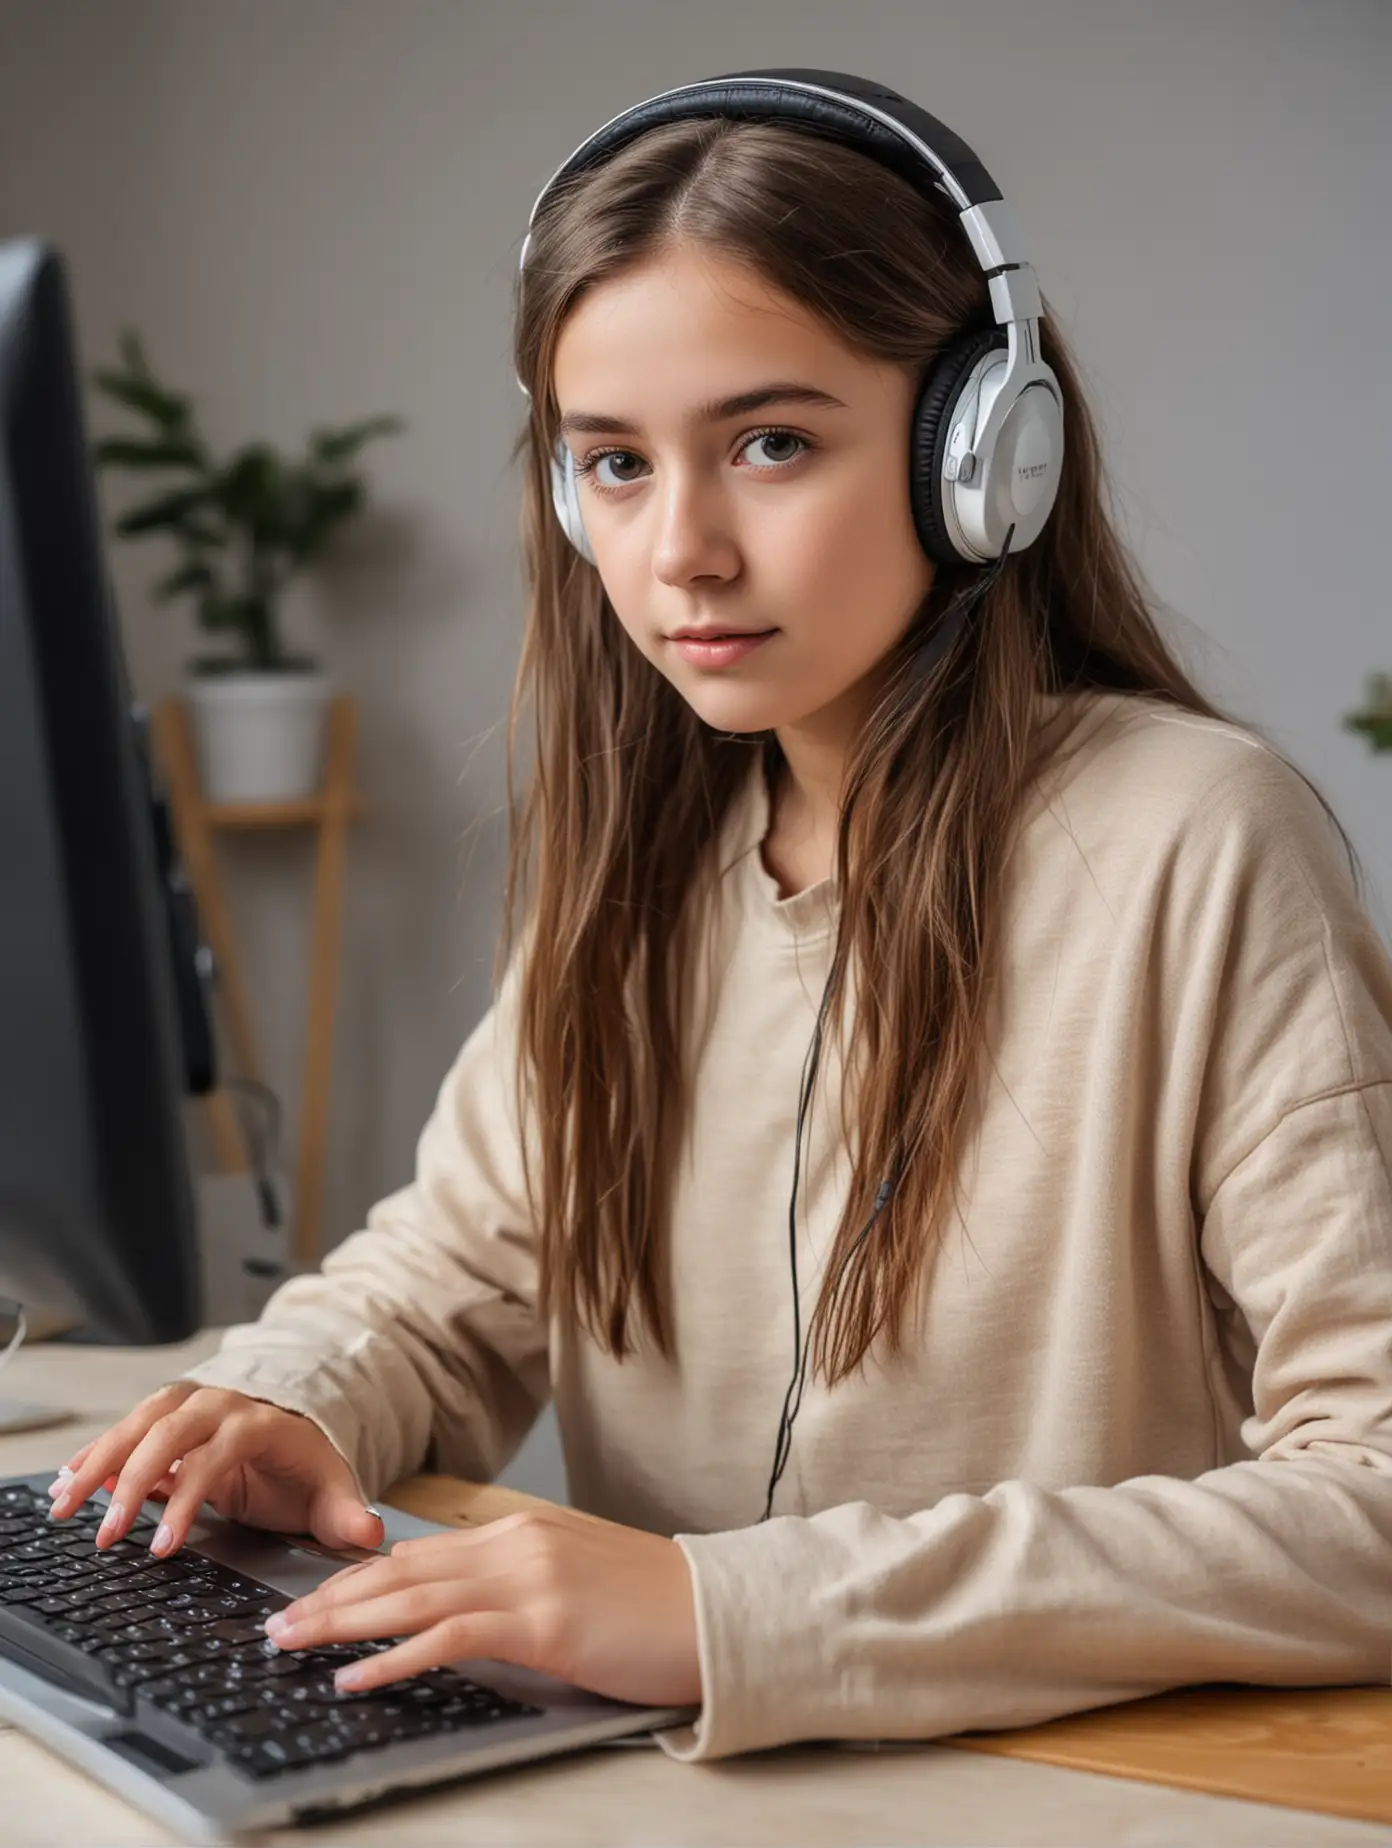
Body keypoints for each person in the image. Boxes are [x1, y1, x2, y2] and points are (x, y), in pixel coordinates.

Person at [47, 95, 1392, 1762]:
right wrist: (288, 1399)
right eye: (615, 462)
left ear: (980, 454)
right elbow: (455, 1278)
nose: (678, 549)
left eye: (770, 443)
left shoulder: (1197, 839)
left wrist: (723, 1611)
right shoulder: (645, 861)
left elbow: (1377, 1497)